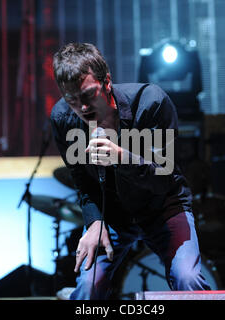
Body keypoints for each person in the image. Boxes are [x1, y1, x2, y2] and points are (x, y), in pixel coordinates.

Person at [50, 42, 210, 300]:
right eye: (72, 101)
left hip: (163, 206)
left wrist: (121, 157)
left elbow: (163, 177)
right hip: (111, 213)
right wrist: (95, 222)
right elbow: (83, 182)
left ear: (107, 82)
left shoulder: (151, 103)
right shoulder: (62, 119)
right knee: (89, 287)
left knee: (187, 278)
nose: (83, 109)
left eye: (89, 95)